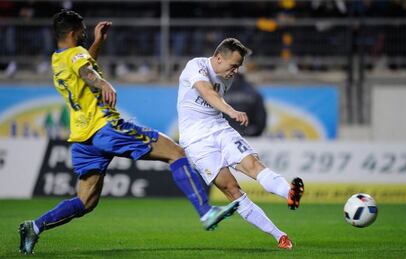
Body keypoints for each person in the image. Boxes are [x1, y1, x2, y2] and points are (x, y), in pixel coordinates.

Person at [18, 10, 239, 255]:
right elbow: (86, 71)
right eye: (82, 30)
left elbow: (81, 64)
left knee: (85, 202)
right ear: (72, 33)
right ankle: (206, 212)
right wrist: (102, 83)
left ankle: (35, 227)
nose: (84, 33)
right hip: (106, 127)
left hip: (84, 138)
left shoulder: (58, 59)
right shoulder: (78, 56)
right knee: (176, 152)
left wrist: (97, 43)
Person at [177, 38, 304, 250]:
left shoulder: (227, 77)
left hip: (221, 130)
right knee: (232, 189)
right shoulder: (196, 66)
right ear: (218, 58)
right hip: (196, 141)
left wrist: (227, 112)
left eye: (238, 67)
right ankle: (279, 236)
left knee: (254, 165)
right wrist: (232, 111)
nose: (235, 71)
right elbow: (207, 92)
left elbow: (216, 98)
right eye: (233, 66)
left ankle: (290, 193)